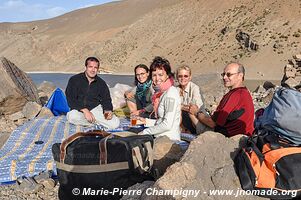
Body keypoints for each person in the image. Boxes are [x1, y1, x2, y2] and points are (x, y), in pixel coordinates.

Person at [189, 62, 254, 137]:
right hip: (242, 134)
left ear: (240, 76)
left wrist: (196, 113)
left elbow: (213, 124)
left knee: (191, 112)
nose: (224, 77)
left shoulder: (235, 95)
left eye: (229, 74)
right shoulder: (244, 92)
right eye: (223, 74)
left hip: (226, 135)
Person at [65, 56, 120, 129]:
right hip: (79, 109)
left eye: (95, 67)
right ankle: (94, 124)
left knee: (115, 124)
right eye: (90, 67)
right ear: (86, 67)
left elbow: (106, 99)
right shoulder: (74, 80)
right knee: (72, 117)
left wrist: (107, 110)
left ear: (98, 69)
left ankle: (94, 121)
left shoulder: (101, 83)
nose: (93, 70)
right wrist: (84, 110)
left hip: (95, 108)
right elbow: (70, 99)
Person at [137, 56, 181, 141]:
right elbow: (161, 120)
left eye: (160, 75)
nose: (157, 79)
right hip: (161, 137)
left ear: (167, 75)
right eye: (154, 75)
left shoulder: (170, 94)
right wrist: (145, 121)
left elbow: (167, 124)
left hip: (168, 140)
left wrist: (146, 132)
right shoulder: (162, 93)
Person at [176, 65, 206, 135]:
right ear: (177, 77)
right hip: (183, 121)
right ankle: (183, 130)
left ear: (190, 77)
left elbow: (195, 108)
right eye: (180, 76)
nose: (183, 78)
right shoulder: (176, 89)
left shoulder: (195, 88)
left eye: (185, 76)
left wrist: (180, 106)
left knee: (189, 113)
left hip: (196, 120)